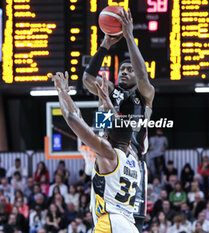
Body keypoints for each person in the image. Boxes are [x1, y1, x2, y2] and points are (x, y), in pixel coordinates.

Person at [82, 7, 155, 233]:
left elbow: (143, 75)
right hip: (109, 152)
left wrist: (129, 36)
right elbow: (87, 78)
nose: (124, 72)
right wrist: (105, 44)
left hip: (133, 159)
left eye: (129, 70)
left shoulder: (145, 94)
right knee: (104, 216)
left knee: (133, 222)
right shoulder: (110, 90)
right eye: (122, 69)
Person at [51, 69, 141, 232]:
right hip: (130, 225)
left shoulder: (108, 153)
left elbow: (73, 117)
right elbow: (112, 128)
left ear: (107, 138)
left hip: (111, 223)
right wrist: (105, 100)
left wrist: (61, 90)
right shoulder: (133, 157)